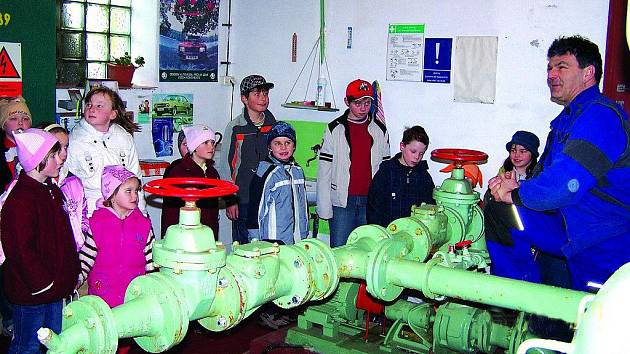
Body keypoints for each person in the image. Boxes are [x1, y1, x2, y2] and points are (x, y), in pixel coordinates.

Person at [489, 35, 630, 292]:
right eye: (549, 68)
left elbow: (565, 185)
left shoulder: (600, 116)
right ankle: (520, 298)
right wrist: (515, 184)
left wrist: (516, 194)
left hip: (600, 235)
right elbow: (546, 176)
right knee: (500, 210)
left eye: (562, 67)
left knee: (590, 318)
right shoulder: (566, 120)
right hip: (569, 222)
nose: (552, 75)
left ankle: (519, 298)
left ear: (588, 73)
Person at [1, 129, 80, 353]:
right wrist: (42, 283)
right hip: (33, 293)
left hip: (54, 289)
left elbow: (65, 239)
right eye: (54, 155)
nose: (60, 159)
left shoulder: (52, 191)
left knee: (52, 344)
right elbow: (20, 250)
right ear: (37, 160)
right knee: (27, 345)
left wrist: (69, 274)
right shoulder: (21, 199)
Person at [317, 79, 390, 247]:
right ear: (347, 102)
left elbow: (385, 171)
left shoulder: (379, 130)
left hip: (370, 201)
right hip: (343, 201)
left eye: (367, 102)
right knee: (340, 249)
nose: (363, 107)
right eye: (357, 103)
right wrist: (324, 206)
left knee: (367, 250)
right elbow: (324, 170)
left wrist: (384, 203)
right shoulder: (334, 129)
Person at [66, 86, 145, 216]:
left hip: (124, 210)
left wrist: (141, 212)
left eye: (99, 106)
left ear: (113, 114)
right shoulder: (74, 141)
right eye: (89, 105)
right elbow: (68, 181)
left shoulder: (123, 137)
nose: (91, 109)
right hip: (91, 211)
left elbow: (136, 176)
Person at [220, 74, 277, 245]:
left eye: (265, 94)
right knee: (243, 247)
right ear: (244, 98)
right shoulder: (236, 127)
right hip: (243, 200)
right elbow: (226, 166)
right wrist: (231, 200)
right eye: (257, 94)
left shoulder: (275, 126)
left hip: (269, 199)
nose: (263, 98)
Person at [247, 121, 309, 245]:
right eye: (277, 143)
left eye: (288, 143)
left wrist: (305, 232)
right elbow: (255, 210)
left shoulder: (297, 171)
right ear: (269, 146)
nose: (283, 147)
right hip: (273, 241)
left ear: (294, 146)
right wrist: (255, 241)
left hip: (298, 239)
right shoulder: (266, 173)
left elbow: (303, 205)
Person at [37, 123, 90, 252]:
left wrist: (83, 235)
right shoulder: (29, 186)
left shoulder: (73, 182)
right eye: (56, 148)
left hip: (74, 254)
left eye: (66, 147)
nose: (63, 154)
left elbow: (83, 215)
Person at [367, 125, 434, 227]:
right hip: (387, 232)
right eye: (413, 151)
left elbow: (430, 207)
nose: (417, 157)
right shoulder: (386, 172)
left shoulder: (423, 176)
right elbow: (374, 207)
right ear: (402, 146)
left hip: (414, 233)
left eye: (421, 154)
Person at [162, 125, 220, 238]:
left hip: (207, 231)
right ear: (194, 146)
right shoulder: (178, 172)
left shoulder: (212, 173)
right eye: (205, 142)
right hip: (185, 233)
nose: (211, 147)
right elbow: (170, 211)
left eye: (213, 142)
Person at [0, 96, 32, 183]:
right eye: (13, 118)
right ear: (3, 124)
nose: (20, 122)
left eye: (25, 119)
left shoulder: (36, 147)